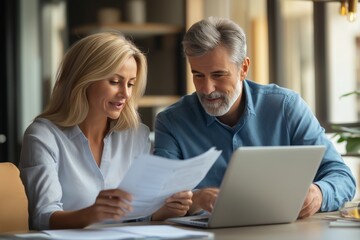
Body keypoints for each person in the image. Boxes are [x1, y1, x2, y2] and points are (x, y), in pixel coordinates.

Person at [153, 17, 356, 218]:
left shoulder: (286, 107)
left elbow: (342, 176)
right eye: (198, 75)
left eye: (218, 75)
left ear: (243, 69)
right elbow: (158, 199)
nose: (207, 89)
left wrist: (319, 194)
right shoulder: (171, 122)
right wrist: (196, 200)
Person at [19, 32, 192, 230]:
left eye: (130, 84)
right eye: (115, 82)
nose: (125, 94)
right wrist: (91, 214)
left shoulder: (137, 136)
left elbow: (136, 214)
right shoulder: (43, 136)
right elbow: (42, 217)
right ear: (83, 79)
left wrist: (164, 211)